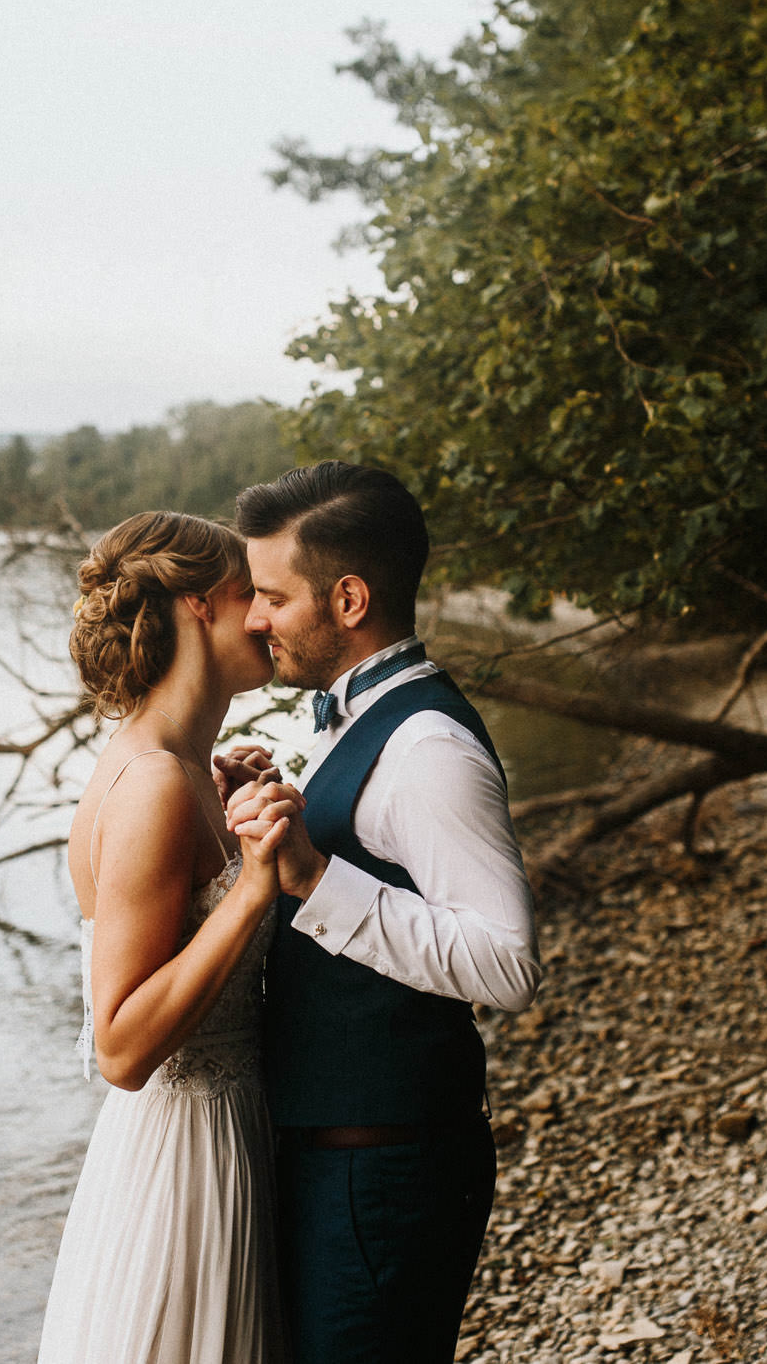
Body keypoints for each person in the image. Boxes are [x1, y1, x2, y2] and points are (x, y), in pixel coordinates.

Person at [233, 461, 542, 1363]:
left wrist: (315, 877)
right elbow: (376, 860)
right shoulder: (353, 719)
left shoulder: (430, 745)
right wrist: (273, 806)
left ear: (350, 598)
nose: (254, 619)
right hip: (343, 1159)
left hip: (385, 1170)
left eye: (271, 596)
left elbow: (508, 963)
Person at [36, 511, 301, 1363]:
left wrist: (235, 825)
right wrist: (253, 886)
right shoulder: (152, 780)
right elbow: (119, 1046)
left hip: (226, 1132)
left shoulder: (183, 765)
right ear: (196, 605)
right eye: (250, 595)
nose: (267, 614)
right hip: (188, 1163)